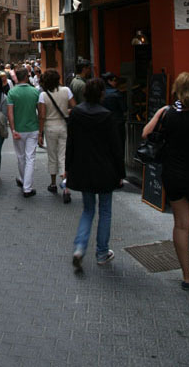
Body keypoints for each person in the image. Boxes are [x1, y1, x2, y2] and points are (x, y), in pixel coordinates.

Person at [142, 72, 189, 290]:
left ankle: (187, 276)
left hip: (173, 174)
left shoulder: (165, 111)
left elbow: (145, 134)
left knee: (181, 225)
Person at [66, 78, 125, 271]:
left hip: (83, 168)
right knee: (105, 210)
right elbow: (116, 147)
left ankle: (79, 248)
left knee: (88, 210)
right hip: (105, 169)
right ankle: (101, 252)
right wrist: (120, 172)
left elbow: (71, 143)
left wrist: (68, 167)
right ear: (101, 94)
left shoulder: (76, 113)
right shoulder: (107, 116)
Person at [38, 69, 76, 202]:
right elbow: (75, 107)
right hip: (64, 126)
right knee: (63, 155)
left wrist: (40, 133)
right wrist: (67, 112)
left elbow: (42, 116)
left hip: (50, 126)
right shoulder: (66, 90)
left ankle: (53, 183)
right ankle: (66, 187)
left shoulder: (43, 95)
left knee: (52, 155)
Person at [7, 68, 40, 198]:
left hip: (19, 129)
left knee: (21, 157)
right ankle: (27, 187)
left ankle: (23, 180)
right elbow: (40, 112)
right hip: (32, 128)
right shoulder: (35, 92)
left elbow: (10, 113)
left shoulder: (12, 92)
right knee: (30, 158)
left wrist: (13, 129)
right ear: (26, 77)